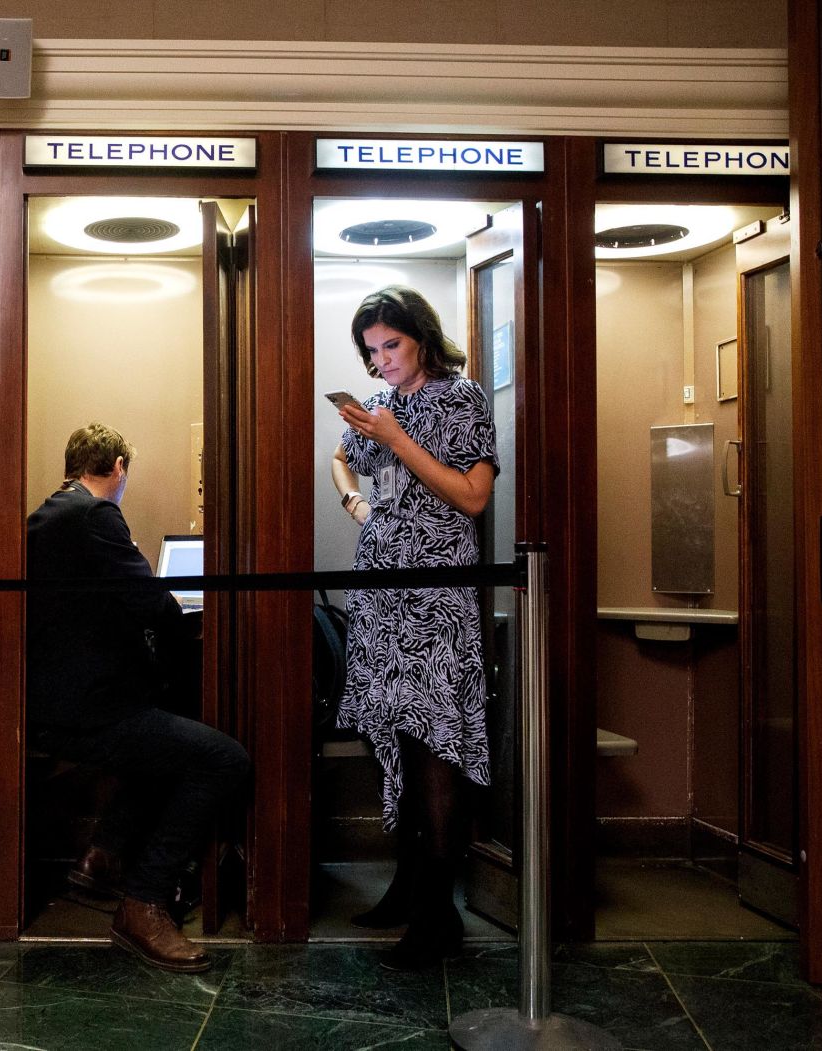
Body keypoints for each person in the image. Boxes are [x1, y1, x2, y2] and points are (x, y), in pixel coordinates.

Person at [27, 423, 249, 973]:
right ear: (119, 467)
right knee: (224, 759)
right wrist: (186, 616)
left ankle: (103, 854)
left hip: (54, 700)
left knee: (165, 742)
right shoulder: (96, 514)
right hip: (90, 709)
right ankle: (144, 902)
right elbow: (150, 599)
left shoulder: (46, 514)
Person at [329, 286, 498, 969]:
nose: (383, 361)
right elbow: (344, 455)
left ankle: (438, 913)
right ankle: (406, 885)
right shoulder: (382, 406)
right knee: (391, 737)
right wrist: (354, 500)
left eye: (391, 346)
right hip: (382, 596)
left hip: (436, 599)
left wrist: (397, 440)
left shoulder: (462, 399)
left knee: (435, 746)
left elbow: (473, 496)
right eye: (372, 351)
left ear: (422, 337)